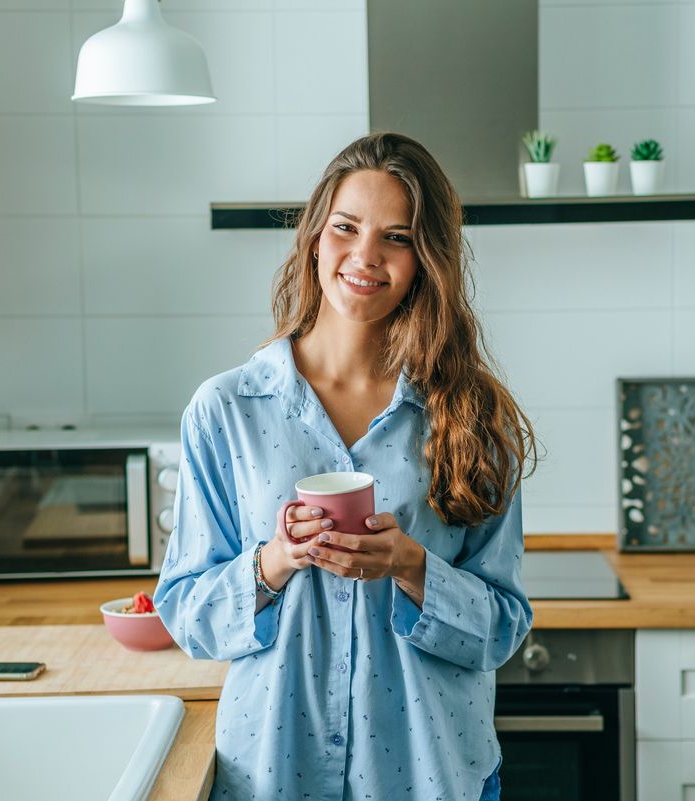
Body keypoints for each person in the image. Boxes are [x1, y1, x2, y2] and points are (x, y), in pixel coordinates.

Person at [153, 132, 537, 801]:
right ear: (312, 237)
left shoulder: (471, 414)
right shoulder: (226, 410)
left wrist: (411, 565)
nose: (365, 256)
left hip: (429, 775)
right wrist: (274, 560)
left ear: (427, 260)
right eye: (346, 228)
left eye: (397, 236)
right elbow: (186, 612)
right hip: (275, 772)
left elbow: (502, 624)